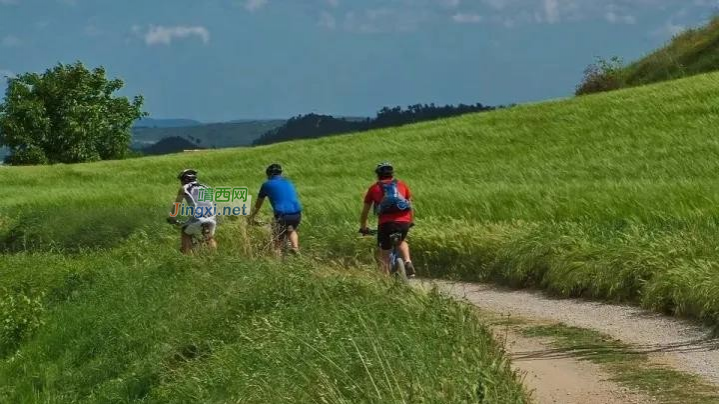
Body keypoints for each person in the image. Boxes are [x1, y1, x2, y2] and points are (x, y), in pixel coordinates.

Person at [359, 162, 415, 277]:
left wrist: (363, 227)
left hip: (385, 224)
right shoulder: (402, 185)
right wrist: (410, 222)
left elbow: (365, 212)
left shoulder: (373, 188)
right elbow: (410, 206)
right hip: (403, 221)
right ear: (392, 174)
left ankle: (384, 279)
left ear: (378, 175)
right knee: (401, 241)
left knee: (384, 252)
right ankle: (407, 261)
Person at [248, 163, 303, 255]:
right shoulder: (288, 182)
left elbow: (258, 204)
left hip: (282, 215)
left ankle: (277, 261)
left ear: (268, 175)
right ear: (280, 174)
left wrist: (252, 216)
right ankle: (295, 247)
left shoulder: (266, 185)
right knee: (291, 230)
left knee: (277, 239)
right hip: (297, 213)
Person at [167, 169, 218, 254]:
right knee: (209, 237)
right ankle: (215, 255)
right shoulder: (205, 187)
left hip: (198, 218)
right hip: (212, 218)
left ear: (184, 180)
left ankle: (187, 256)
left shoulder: (184, 188)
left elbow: (177, 204)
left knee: (185, 231)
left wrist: (172, 217)